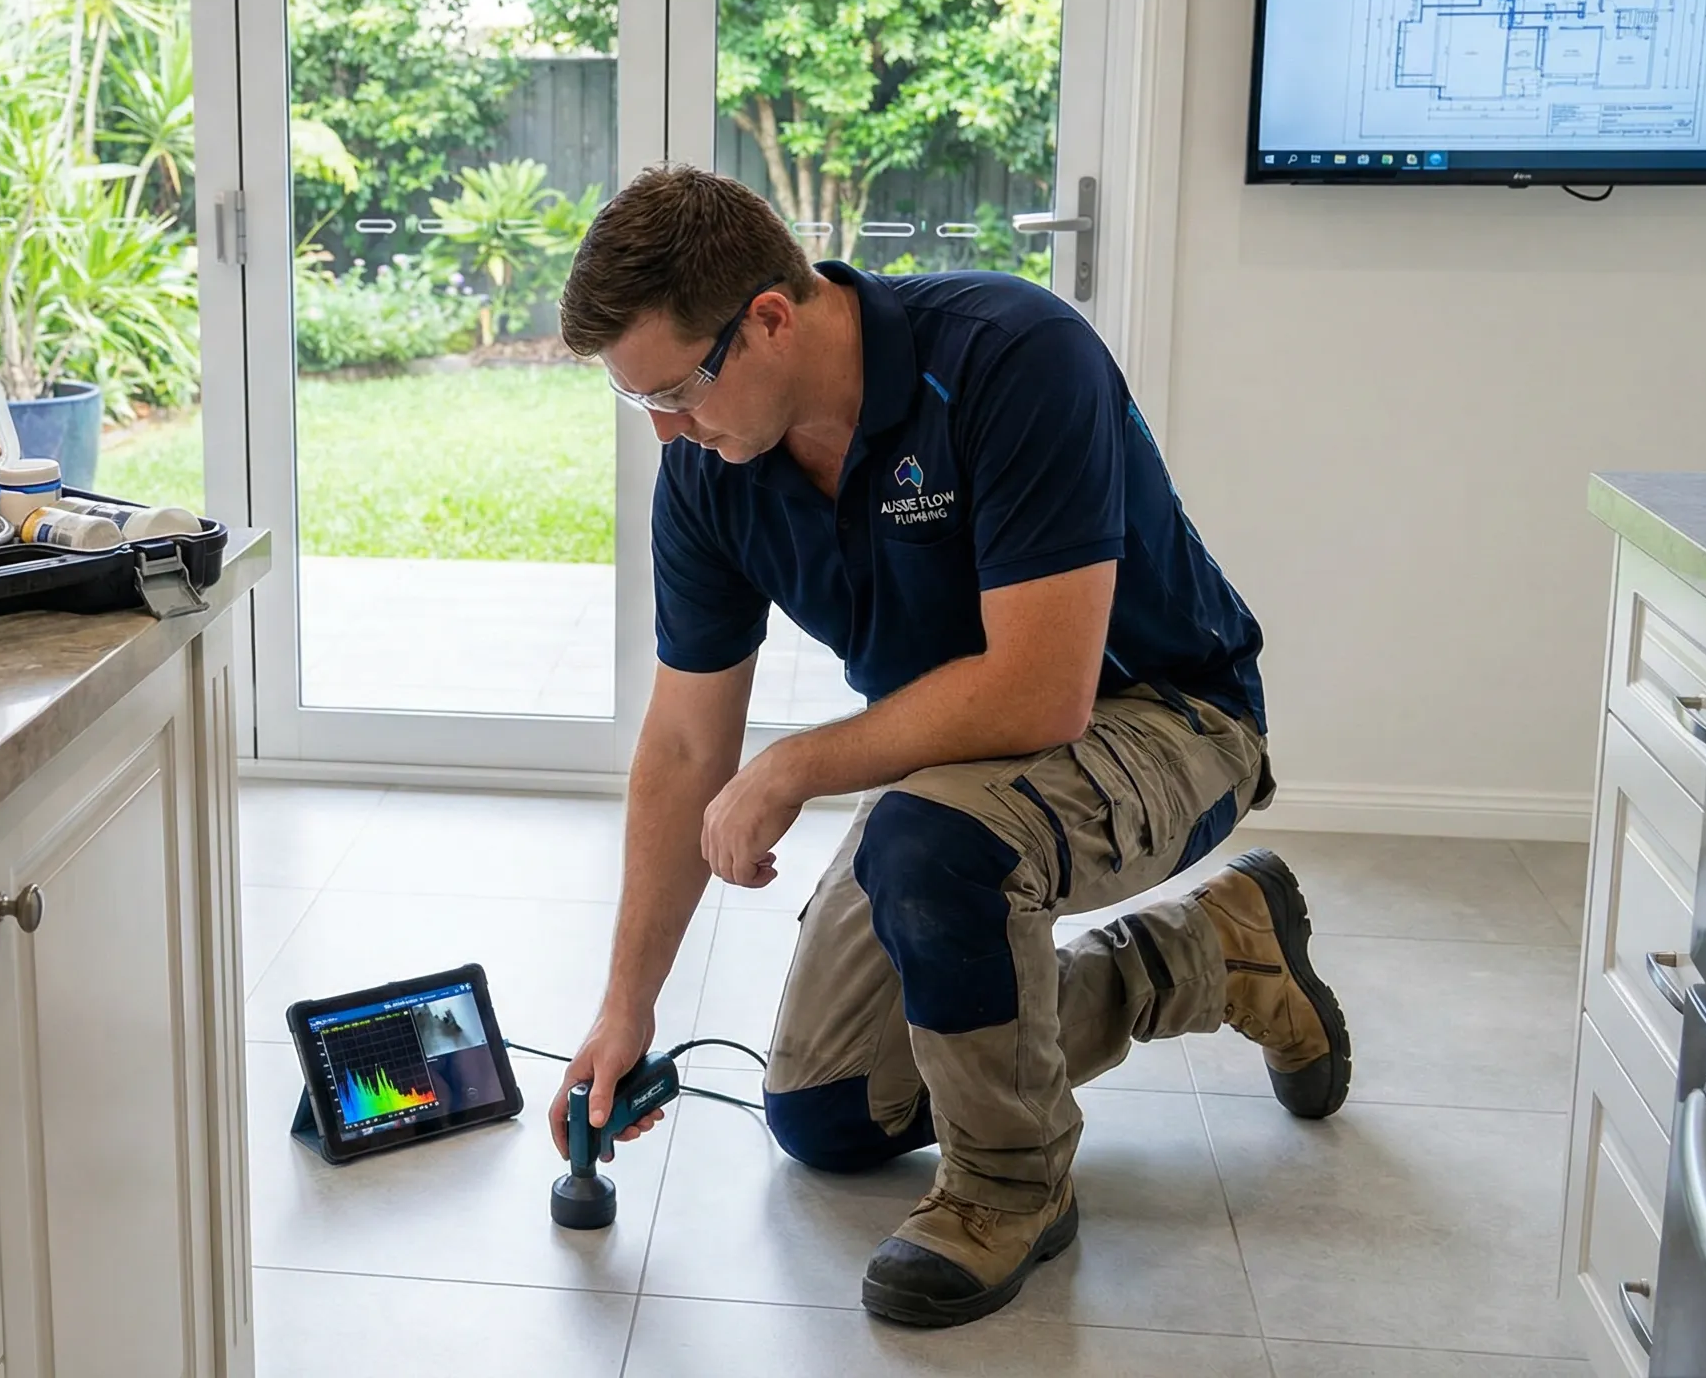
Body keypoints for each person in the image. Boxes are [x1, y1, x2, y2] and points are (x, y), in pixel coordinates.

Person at [547, 166, 1350, 1329]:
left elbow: (1038, 690)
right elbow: (681, 747)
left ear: (769, 316)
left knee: (930, 847)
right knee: (830, 1112)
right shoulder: (713, 473)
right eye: (641, 405)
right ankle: (1218, 954)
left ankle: (1007, 1190)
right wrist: (626, 1008)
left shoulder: (1009, 356)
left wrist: (789, 766)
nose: (669, 429)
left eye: (675, 389)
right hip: (959, 770)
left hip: (1171, 714)